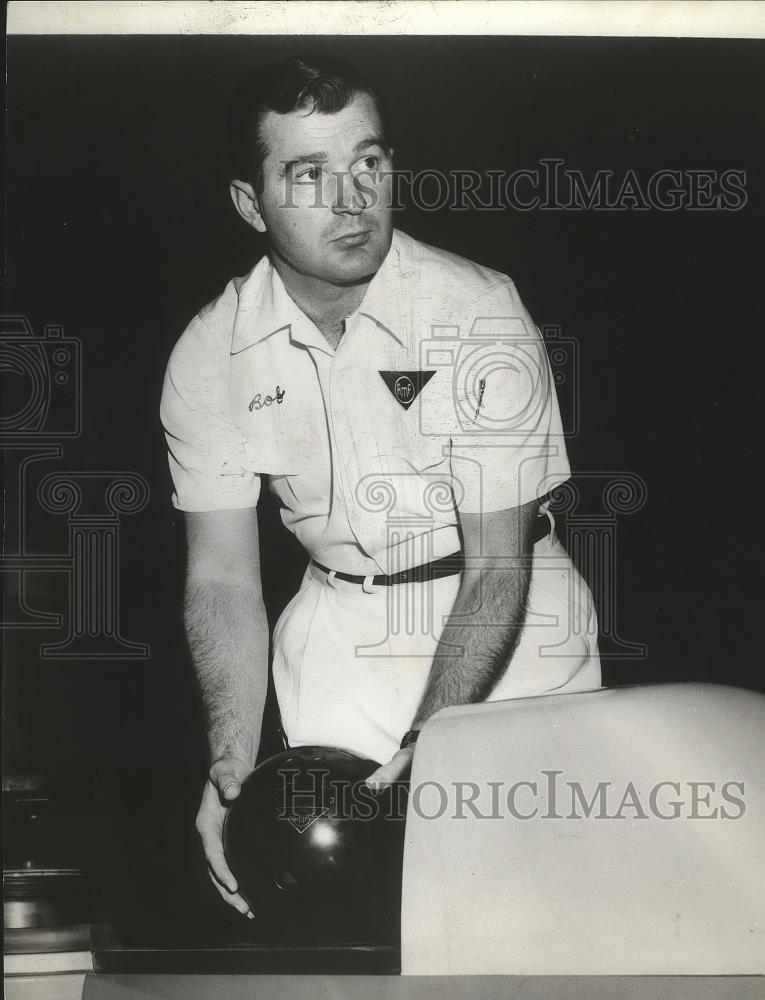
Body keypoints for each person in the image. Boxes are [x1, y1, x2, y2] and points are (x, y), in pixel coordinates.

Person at [160, 55, 601, 919]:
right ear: (251, 205)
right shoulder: (210, 354)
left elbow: (497, 569)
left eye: (369, 162)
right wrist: (231, 763)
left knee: (534, 921)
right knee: (361, 924)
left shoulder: (477, 313)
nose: (352, 198)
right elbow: (221, 581)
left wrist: (431, 740)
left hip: (509, 629)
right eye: (307, 174)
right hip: (340, 633)